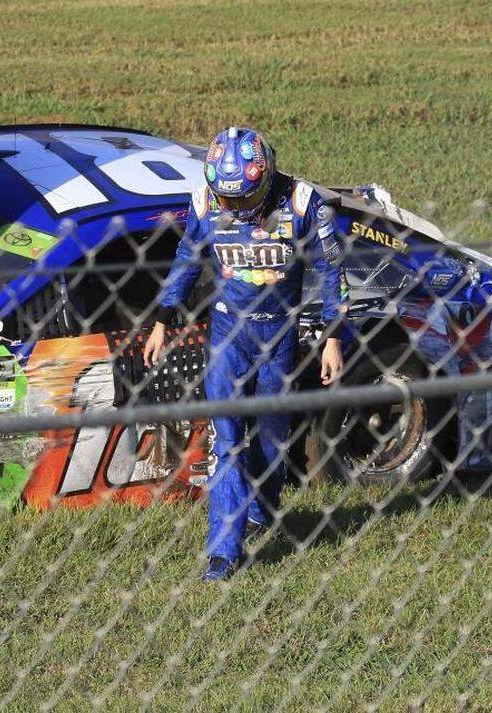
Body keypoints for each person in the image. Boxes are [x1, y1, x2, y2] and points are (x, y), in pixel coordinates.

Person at [142, 127, 348, 582]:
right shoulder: (204, 203)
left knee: (273, 435)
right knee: (227, 440)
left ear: (267, 174)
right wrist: (163, 318)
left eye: (243, 198)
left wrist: (334, 336)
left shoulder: (302, 203)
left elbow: (331, 270)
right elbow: (185, 260)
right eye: (226, 199)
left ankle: (263, 510)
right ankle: (223, 550)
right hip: (227, 336)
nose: (233, 208)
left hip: (279, 339)